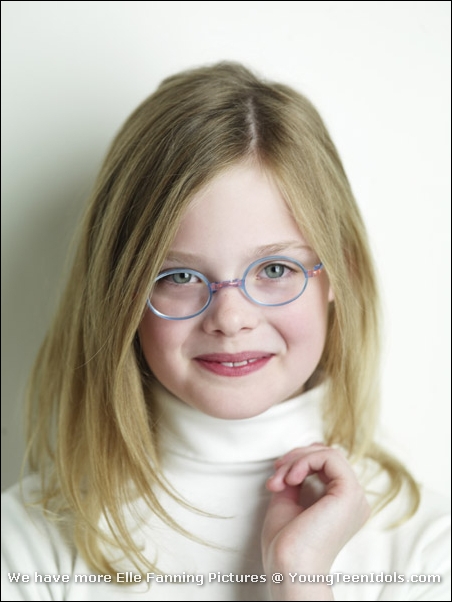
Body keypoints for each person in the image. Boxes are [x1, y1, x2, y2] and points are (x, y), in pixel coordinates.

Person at [1, 61, 450, 602]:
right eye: (179, 277)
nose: (231, 319)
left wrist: (299, 580)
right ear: (120, 292)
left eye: (275, 269)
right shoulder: (25, 543)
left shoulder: (426, 549)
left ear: (340, 274)